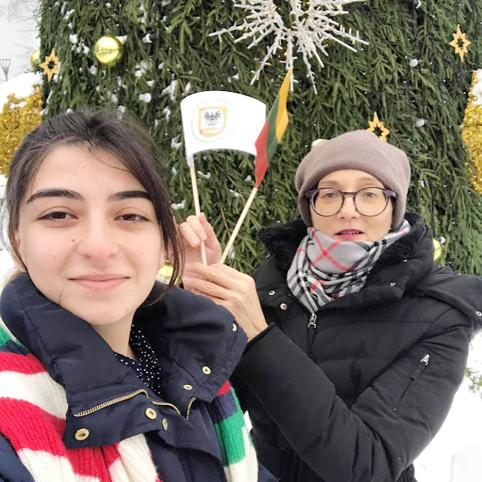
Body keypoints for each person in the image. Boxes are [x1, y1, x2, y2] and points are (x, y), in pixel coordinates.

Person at [180, 130, 482, 482]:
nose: (347, 210)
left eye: (369, 194)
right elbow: (206, 404)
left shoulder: (439, 313)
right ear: (310, 206)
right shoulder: (274, 283)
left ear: (394, 206)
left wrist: (260, 339)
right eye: (330, 194)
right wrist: (202, 305)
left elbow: (367, 465)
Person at [0, 110, 260, 482]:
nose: (99, 247)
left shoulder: (196, 368)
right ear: (17, 240)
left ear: (164, 241)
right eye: (58, 214)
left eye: (130, 216)